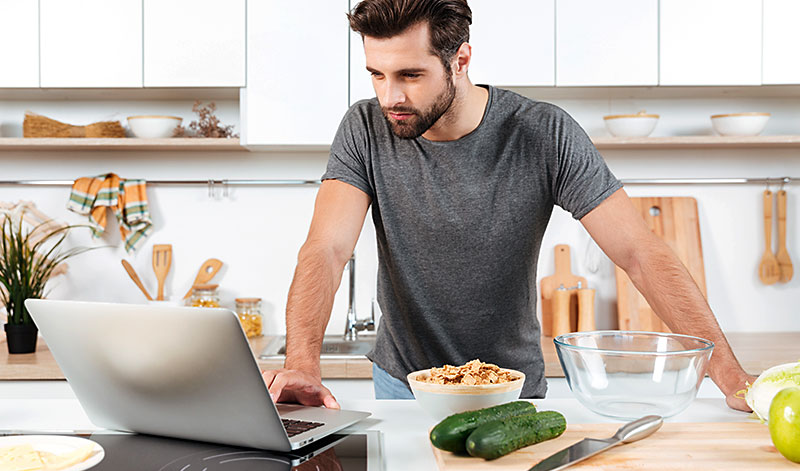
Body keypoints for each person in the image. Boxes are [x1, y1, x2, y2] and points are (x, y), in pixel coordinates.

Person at [262, 0, 754, 411]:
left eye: (410, 74)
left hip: (513, 391)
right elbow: (325, 249)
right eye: (376, 74)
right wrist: (303, 364)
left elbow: (640, 253)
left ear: (460, 59)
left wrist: (729, 374)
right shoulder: (365, 127)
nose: (390, 96)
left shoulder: (542, 131)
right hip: (403, 386)